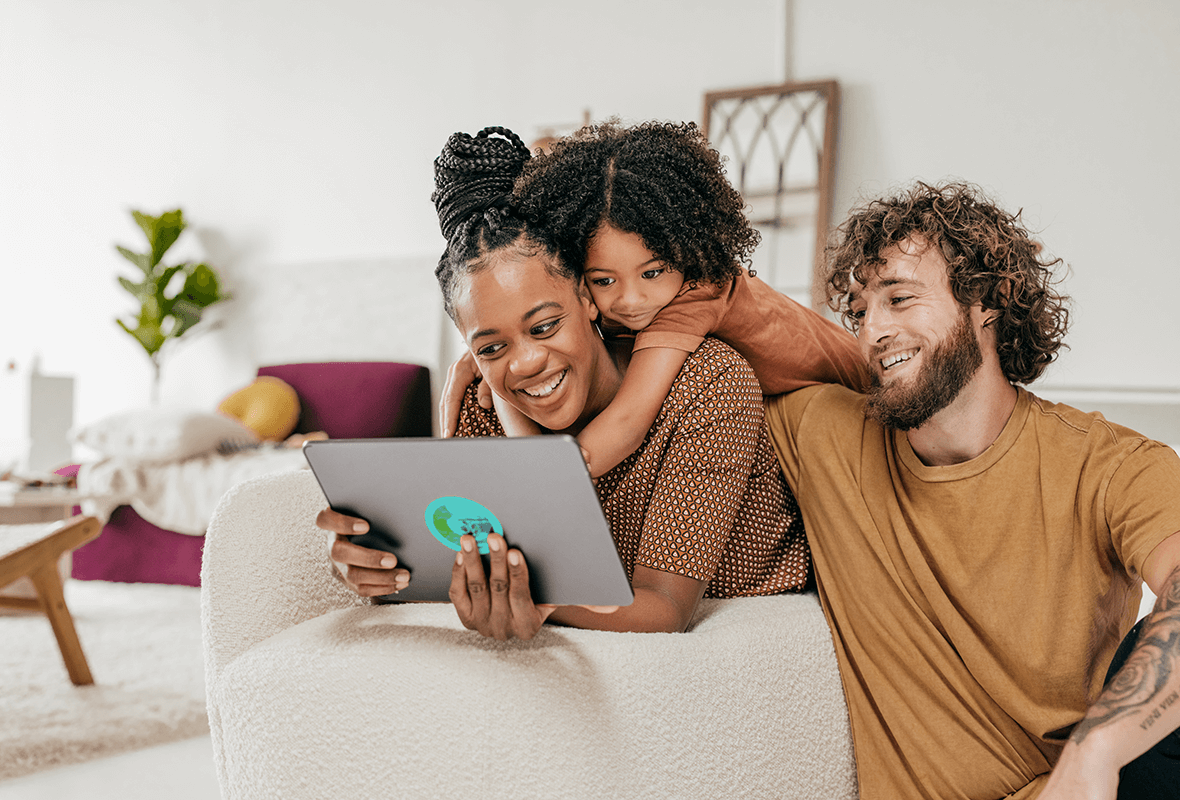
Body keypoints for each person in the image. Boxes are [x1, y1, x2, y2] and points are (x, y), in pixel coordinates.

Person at [319, 126, 862, 637]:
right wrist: (389, 571)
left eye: (545, 326)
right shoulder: (483, 400)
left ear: (583, 298)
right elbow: (465, 563)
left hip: (762, 617)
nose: (526, 362)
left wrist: (540, 601)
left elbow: (663, 606)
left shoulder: (705, 377)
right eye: (491, 346)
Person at [763, 180, 1180, 798]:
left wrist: (1097, 752)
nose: (872, 331)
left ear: (985, 301)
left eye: (900, 299)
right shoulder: (825, 435)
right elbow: (712, 309)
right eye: (858, 311)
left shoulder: (1107, 464)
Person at [441, 120, 868, 478]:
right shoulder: (638, 302)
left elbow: (625, 425)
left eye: (652, 272)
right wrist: (485, 358)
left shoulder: (694, 297)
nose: (630, 300)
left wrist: (536, 483)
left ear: (686, 250)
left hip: (862, 389)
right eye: (603, 280)